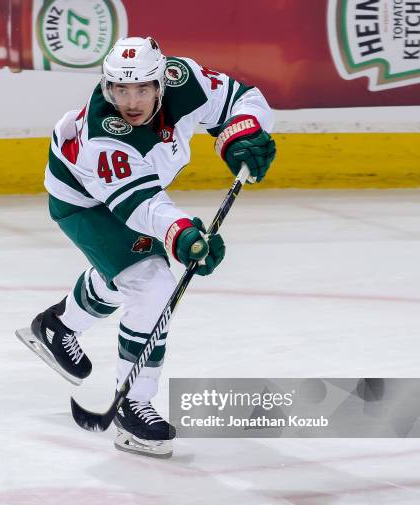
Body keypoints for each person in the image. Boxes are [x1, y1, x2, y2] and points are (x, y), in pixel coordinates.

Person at [18, 36, 276, 459]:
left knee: (122, 275)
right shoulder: (106, 136)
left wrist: (241, 132)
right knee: (150, 282)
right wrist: (183, 234)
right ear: (108, 87)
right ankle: (133, 405)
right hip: (84, 201)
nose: (131, 101)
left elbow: (243, 99)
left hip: (130, 194)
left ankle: (59, 325)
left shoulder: (183, 79)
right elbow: (141, 205)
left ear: (161, 84)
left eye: (141, 89)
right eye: (120, 89)